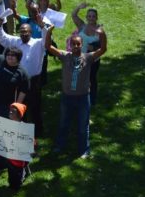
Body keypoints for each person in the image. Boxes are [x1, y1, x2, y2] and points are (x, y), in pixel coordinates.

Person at [45, 23, 107, 158]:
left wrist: (102, 34)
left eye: (78, 44)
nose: (76, 47)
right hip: (67, 97)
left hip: (83, 98)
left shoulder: (88, 58)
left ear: (81, 45)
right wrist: (49, 32)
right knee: (63, 123)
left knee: (83, 126)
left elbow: (102, 50)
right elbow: (48, 47)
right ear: (70, 45)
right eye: (73, 44)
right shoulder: (65, 56)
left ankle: (84, 149)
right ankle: (59, 146)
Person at [0, 19, 46, 135]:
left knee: (35, 106)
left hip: (34, 81)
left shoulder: (38, 43)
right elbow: (2, 38)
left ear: (31, 32)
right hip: (18, 81)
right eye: (21, 31)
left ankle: (38, 132)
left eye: (26, 31)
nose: (24, 33)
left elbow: (46, 39)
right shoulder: (15, 41)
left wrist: (43, 27)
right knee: (18, 106)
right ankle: (20, 132)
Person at [0, 102, 32, 196]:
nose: (10, 112)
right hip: (3, 155)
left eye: (13, 111)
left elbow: (31, 147)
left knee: (14, 187)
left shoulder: (25, 129)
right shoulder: (3, 125)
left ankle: (22, 171)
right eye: (10, 110)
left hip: (16, 160)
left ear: (19, 114)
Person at [71, 1, 107, 105]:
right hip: (79, 57)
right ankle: (75, 97)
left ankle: (92, 99)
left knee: (91, 79)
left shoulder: (100, 31)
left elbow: (103, 47)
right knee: (77, 77)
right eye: (89, 16)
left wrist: (95, 48)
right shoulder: (82, 26)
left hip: (93, 59)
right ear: (86, 17)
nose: (91, 18)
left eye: (93, 16)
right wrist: (79, 7)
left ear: (96, 18)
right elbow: (73, 15)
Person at [0, 47, 29, 121]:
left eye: (13, 55)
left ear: (18, 58)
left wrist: (16, 106)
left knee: (2, 126)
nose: (10, 57)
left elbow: (23, 91)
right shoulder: (0, 60)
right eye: (8, 54)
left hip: (6, 106)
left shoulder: (22, 73)